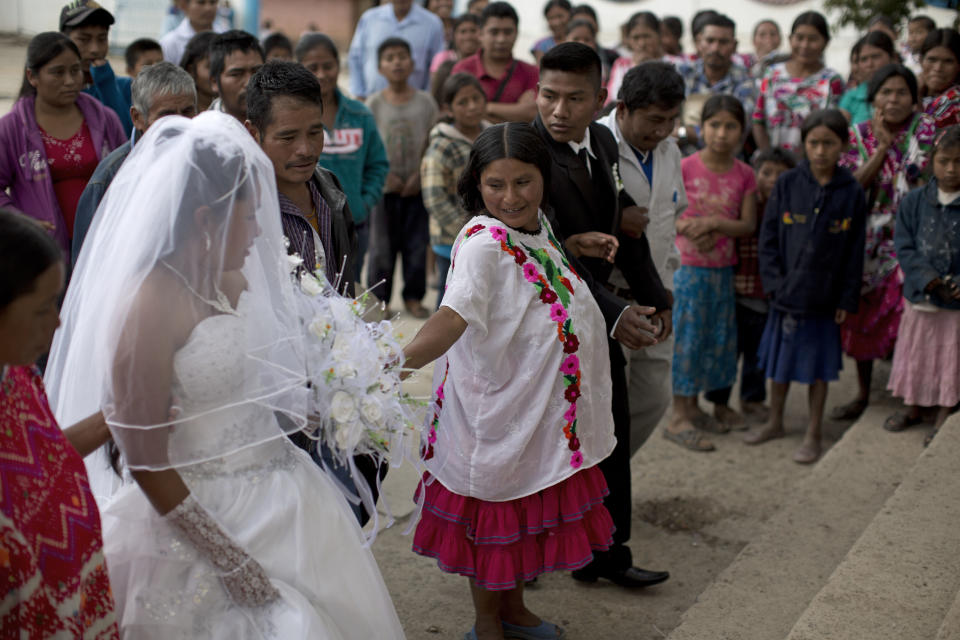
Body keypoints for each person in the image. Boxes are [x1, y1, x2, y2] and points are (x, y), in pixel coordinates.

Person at [44, 111, 406, 638]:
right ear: (204, 219)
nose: (260, 230)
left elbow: (262, 377)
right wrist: (229, 561)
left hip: (285, 495)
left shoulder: (239, 278)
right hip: (196, 508)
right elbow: (142, 456)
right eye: (249, 215)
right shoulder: (148, 307)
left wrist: (330, 395)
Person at [402, 122, 617, 640]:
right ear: (477, 184)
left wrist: (572, 244)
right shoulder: (483, 246)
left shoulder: (534, 228)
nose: (510, 196)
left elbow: (530, 273)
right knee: (492, 522)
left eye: (523, 182)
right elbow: (453, 317)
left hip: (530, 411)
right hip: (494, 416)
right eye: (495, 185)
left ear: (543, 177)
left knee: (519, 519)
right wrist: (394, 363)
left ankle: (515, 611)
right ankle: (486, 623)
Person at [533, 42, 671, 589]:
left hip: (600, 317)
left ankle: (607, 554)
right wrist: (617, 313)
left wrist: (658, 296)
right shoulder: (527, 152)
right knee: (547, 441)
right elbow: (546, 254)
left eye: (574, 98)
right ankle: (530, 553)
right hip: (546, 327)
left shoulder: (607, 142)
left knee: (606, 434)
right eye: (549, 96)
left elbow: (622, 233)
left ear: (600, 100)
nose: (559, 111)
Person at [0, 209, 119, 638]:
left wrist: (117, 416)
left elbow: (44, 456)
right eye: (42, 308)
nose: (57, 323)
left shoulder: (17, 376)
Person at [747, 109, 867, 463]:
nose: (820, 151)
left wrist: (847, 296)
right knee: (779, 364)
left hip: (825, 298)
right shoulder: (787, 184)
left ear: (843, 145)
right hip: (786, 294)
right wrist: (774, 286)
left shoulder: (851, 191)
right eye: (813, 142)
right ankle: (775, 421)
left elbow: (855, 250)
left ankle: (814, 432)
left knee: (820, 369)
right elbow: (768, 238)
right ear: (803, 145)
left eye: (829, 143)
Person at [832, 64, 935, 422]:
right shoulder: (857, 135)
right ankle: (863, 395)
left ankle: (914, 398)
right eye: (886, 92)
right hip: (866, 243)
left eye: (901, 92)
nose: (893, 100)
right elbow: (849, 188)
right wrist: (881, 150)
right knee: (862, 318)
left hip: (914, 239)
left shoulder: (928, 133)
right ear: (874, 98)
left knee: (909, 317)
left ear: (914, 97)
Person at [597, 61, 686, 455]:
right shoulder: (596, 144)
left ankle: (613, 481)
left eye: (670, 120)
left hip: (654, 300)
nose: (662, 130)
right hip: (610, 299)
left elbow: (670, 221)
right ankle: (603, 493)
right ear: (623, 109)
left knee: (653, 398)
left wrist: (666, 286)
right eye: (653, 119)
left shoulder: (670, 151)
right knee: (607, 405)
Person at [670, 95, 758, 448]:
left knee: (713, 341)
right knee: (687, 342)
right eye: (715, 125)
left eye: (730, 126)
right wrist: (690, 227)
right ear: (701, 127)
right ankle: (678, 416)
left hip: (722, 271)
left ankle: (695, 409)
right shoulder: (685, 166)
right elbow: (665, 212)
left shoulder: (745, 174)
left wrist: (715, 223)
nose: (722, 133)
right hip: (687, 269)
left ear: (742, 131)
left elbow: (748, 224)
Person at [0, 32, 125, 264]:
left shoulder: (106, 120)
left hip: (103, 245)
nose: (70, 81)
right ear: (32, 76)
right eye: (58, 72)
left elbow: (130, 174)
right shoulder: (11, 128)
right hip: (41, 253)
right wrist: (23, 224)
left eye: (75, 70)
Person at [73, 62, 198, 265]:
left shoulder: (205, 162)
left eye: (187, 111)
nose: (179, 123)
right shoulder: (110, 179)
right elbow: (87, 265)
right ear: (137, 118)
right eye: (167, 115)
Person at [704, 147, 796, 425]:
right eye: (767, 173)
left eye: (782, 174)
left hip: (766, 293)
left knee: (758, 352)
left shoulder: (790, 208)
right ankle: (720, 403)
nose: (773, 179)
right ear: (754, 174)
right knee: (726, 351)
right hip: (735, 289)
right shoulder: (746, 205)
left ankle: (751, 399)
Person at [885, 126, 960, 444]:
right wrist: (928, 280)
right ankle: (913, 404)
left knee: (949, 355)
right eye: (945, 161)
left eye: (959, 161)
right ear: (931, 161)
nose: (952, 169)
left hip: (955, 304)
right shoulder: (914, 202)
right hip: (921, 297)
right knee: (917, 353)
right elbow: (904, 246)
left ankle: (945, 408)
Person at [297, 33, 389, 285]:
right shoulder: (293, 117)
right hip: (307, 225)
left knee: (349, 290)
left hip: (353, 225)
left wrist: (363, 202)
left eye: (328, 66)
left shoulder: (360, 115)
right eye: (312, 67)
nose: (323, 73)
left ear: (339, 66)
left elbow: (378, 165)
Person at [367, 37, 438, 318]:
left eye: (402, 56)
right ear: (380, 68)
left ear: (412, 63)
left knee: (417, 246)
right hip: (385, 189)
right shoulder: (373, 104)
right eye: (389, 58)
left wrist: (420, 177)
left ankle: (413, 297)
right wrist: (386, 176)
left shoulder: (426, 103)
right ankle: (379, 300)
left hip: (417, 188)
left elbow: (432, 141)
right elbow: (371, 147)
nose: (396, 62)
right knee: (381, 248)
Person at [421, 72, 489, 308]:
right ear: (448, 109)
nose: (471, 107)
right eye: (462, 102)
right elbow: (435, 199)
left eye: (476, 99)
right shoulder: (442, 145)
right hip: (451, 240)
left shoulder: (493, 138)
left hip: (488, 237)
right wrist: (466, 233)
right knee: (450, 300)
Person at [752, 11, 844, 154]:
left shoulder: (832, 80)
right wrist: (769, 157)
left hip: (814, 165)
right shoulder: (772, 74)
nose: (805, 45)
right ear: (790, 39)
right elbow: (758, 119)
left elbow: (833, 128)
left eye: (813, 39)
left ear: (826, 42)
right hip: (774, 164)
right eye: (799, 38)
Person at [452, 2, 539, 124]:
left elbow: (531, 113)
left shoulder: (531, 72)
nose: (501, 39)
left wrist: (487, 108)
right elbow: (460, 115)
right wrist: (516, 112)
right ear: (481, 34)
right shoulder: (462, 69)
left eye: (508, 32)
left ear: (517, 33)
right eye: (494, 32)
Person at [675, 13, 757, 138]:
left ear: (734, 46)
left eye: (723, 42)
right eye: (710, 40)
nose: (715, 48)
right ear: (698, 42)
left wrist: (683, 133)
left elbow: (739, 128)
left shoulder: (745, 82)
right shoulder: (682, 73)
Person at [60, 0, 133, 134]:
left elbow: (124, 138)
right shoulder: (56, 93)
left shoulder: (126, 87)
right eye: (84, 39)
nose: (95, 49)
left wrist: (106, 82)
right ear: (64, 40)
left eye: (102, 39)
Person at [347, 0, 445, 100]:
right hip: (371, 101)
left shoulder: (432, 23)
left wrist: (427, 98)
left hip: (415, 105)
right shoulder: (369, 19)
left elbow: (437, 66)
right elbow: (355, 58)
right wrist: (359, 95)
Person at [606, 12, 664, 106]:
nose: (642, 43)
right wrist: (636, 67)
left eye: (646, 36)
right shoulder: (621, 65)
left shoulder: (673, 63)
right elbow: (613, 98)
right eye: (636, 38)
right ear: (629, 40)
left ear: (658, 35)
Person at [839, 31, 896, 125]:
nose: (870, 64)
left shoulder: (905, 91)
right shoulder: (851, 98)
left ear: (892, 57)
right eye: (864, 59)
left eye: (876, 57)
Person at [208, 30, 264, 121]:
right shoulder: (204, 130)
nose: (249, 83)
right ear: (214, 82)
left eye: (257, 72)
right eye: (237, 74)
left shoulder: (283, 121)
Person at [160, 0, 228, 65]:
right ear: (185, 5)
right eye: (201, 2)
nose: (208, 8)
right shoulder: (169, 44)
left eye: (213, 2)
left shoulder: (226, 37)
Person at [919, 29, 960, 129]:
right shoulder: (911, 94)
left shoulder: (955, 104)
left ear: (959, 66)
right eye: (932, 59)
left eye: (948, 61)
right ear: (921, 60)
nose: (938, 68)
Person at [179, 30, 218, 112]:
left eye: (222, 66)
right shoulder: (179, 111)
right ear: (190, 71)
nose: (218, 73)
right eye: (211, 66)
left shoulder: (234, 111)